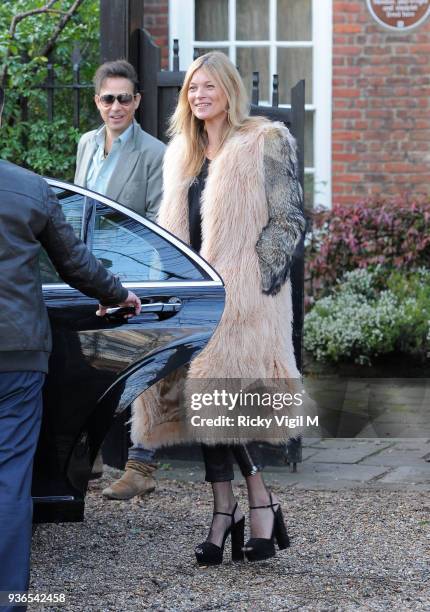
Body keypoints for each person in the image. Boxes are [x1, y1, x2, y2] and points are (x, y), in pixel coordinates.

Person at [130, 51, 306, 564]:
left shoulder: (263, 140)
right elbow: (170, 231)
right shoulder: (181, 151)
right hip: (193, 296)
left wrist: (257, 283)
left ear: (229, 90)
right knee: (203, 397)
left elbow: (288, 219)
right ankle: (242, 504)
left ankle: (241, 506)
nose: (199, 95)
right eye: (192, 88)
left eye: (209, 86)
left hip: (245, 300)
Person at [0, 85, 141, 606]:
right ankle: (9, 597)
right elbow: (76, 263)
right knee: (10, 478)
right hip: (18, 357)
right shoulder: (28, 189)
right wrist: (118, 293)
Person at [75, 59, 166, 500]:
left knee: (141, 370)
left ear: (137, 101)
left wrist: (141, 287)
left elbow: (156, 223)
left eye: (124, 98)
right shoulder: (86, 144)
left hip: (133, 277)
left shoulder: (154, 154)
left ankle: (142, 464)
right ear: (97, 102)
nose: (116, 107)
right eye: (108, 98)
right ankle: (85, 457)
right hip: (88, 274)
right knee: (89, 363)